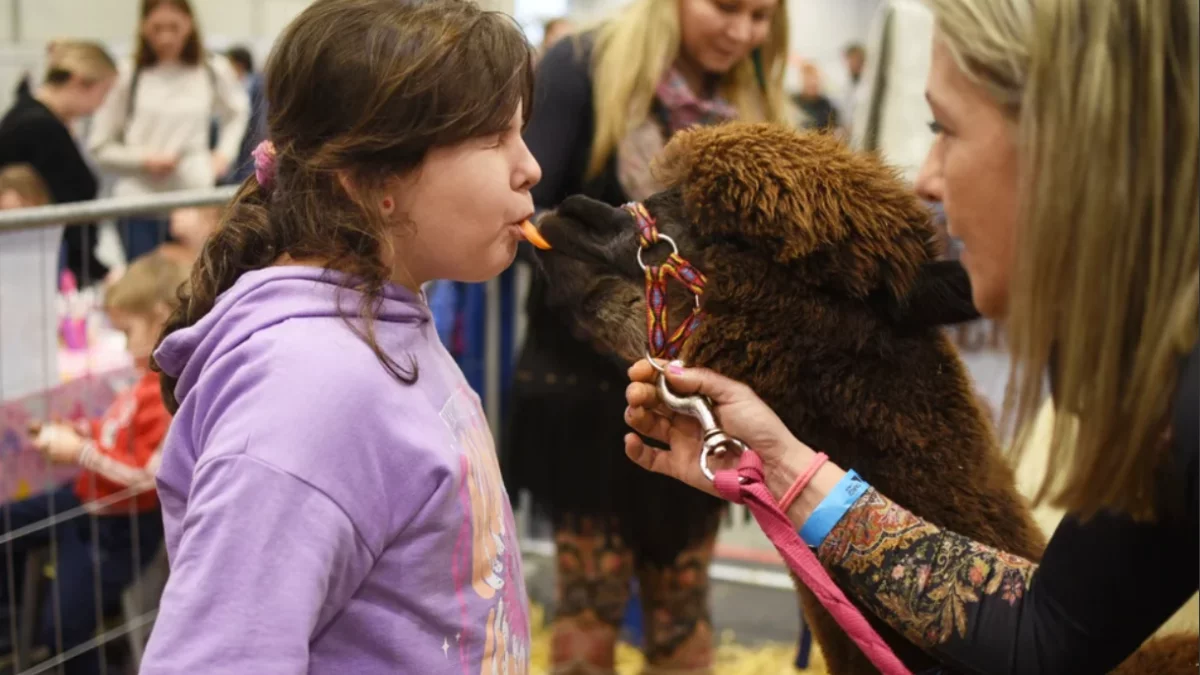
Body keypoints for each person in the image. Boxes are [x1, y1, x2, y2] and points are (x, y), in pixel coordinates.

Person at [623, 0, 1198, 672]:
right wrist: (780, 465)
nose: (928, 176)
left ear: (1071, 143)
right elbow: (1050, 628)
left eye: (945, 129)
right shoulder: (1166, 402)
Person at [138, 0, 540, 671]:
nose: (529, 167)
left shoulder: (385, 321)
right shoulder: (308, 389)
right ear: (373, 180)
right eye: (495, 138)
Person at [503, 0, 789, 669]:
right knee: (587, 607)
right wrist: (629, 306)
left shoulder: (749, 99)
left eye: (760, 16)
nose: (742, 31)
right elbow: (527, 217)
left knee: (683, 604)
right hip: (581, 391)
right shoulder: (584, 68)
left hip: (689, 401)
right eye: (726, 8)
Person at [0, 251, 185, 675]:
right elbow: (115, 433)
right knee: (9, 521)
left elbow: (145, 477)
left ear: (160, 317)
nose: (123, 343)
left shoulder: (165, 395)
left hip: (119, 527)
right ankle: (13, 622)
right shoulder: (143, 380)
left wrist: (78, 452)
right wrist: (79, 433)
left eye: (127, 331)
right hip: (87, 500)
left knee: (63, 629)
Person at [88, 0, 249, 262]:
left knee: (196, 289)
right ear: (143, 28)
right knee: (146, 292)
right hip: (139, 206)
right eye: (157, 28)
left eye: (174, 27)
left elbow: (238, 111)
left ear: (189, 24)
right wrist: (143, 160)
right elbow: (99, 145)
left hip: (195, 201)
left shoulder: (211, 69)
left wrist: (223, 155)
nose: (166, 37)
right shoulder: (128, 75)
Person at [0, 41, 117, 284]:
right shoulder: (42, 128)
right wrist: (94, 268)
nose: (102, 104)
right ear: (78, 82)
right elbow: (65, 201)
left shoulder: (30, 117)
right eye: (103, 93)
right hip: (49, 262)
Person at [222, 46, 267, 184]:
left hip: (249, 161)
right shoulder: (242, 88)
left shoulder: (256, 88)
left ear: (238, 65)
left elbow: (259, 129)